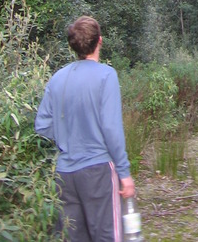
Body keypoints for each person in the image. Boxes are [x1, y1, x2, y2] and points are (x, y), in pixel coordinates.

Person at [36, 15, 136, 241]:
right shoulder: (106, 76)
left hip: (63, 175)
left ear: (74, 46)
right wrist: (124, 173)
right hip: (98, 172)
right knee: (107, 236)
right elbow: (111, 129)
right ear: (99, 40)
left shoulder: (57, 78)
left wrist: (65, 136)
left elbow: (42, 125)